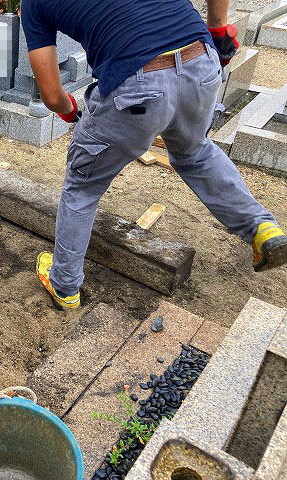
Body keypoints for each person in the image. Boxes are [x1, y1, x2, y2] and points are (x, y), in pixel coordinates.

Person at [24, 0, 287, 309]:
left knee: (82, 187)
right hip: (200, 60)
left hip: (136, 83)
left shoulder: (33, 3)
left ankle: (64, 287)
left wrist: (71, 113)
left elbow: (53, 96)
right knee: (195, 151)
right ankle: (261, 228)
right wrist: (217, 27)